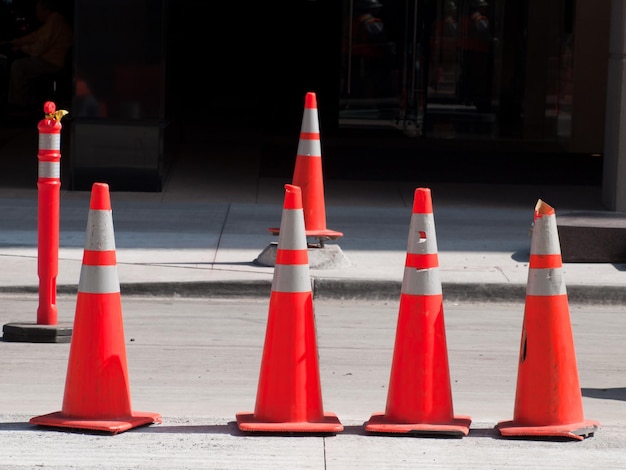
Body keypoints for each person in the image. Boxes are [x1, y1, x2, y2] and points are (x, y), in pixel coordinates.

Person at [0, 0, 72, 112]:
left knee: (18, 66)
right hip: (49, 60)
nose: (36, 13)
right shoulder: (51, 22)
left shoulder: (55, 21)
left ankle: (18, 105)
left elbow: (39, 47)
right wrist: (14, 42)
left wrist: (21, 48)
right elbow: (34, 37)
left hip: (52, 63)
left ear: (46, 10)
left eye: (38, 10)